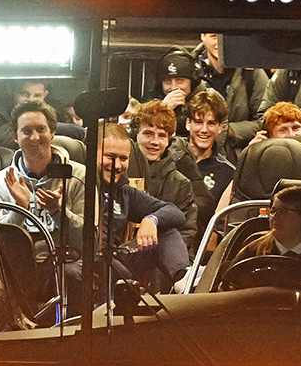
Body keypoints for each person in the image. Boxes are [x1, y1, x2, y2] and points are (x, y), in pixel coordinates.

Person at [67, 122, 189, 298]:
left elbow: (175, 213)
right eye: (110, 156)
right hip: (85, 261)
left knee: (165, 229)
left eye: (123, 159)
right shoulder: (77, 185)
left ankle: (183, 283)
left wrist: (151, 220)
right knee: (116, 272)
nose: (117, 165)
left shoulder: (124, 192)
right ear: (92, 154)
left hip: (118, 260)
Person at [0, 100, 85, 253]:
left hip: (66, 263)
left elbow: (89, 241)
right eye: (27, 131)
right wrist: (19, 209)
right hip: (17, 265)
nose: (35, 137)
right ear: (15, 137)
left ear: (52, 133)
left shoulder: (77, 176)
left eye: (41, 129)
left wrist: (57, 211)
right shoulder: (0, 182)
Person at [129, 99, 206, 257]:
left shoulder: (180, 183)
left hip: (160, 261)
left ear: (169, 140)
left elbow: (187, 231)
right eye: (148, 133)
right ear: (135, 134)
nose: (155, 142)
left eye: (162, 136)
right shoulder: (119, 172)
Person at [193, 33, 269, 150]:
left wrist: (229, 131)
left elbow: (265, 119)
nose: (220, 43)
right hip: (197, 154)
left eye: (225, 37)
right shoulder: (189, 69)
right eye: (214, 36)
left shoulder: (250, 70)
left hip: (238, 155)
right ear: (203, 36)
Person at [183, 89, 237, 234]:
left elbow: (222, 223)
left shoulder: (228, 172)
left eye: (211, 123)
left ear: (220, 127)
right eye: (199, 122)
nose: (204, 130)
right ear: (188, 123)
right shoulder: (171, 158)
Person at [154, 49, 198, 137]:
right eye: (167, 81)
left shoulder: (207, 100)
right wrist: (163, 109)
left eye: (180, 80)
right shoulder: (149, 102)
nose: (174, 87)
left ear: (192, 82)